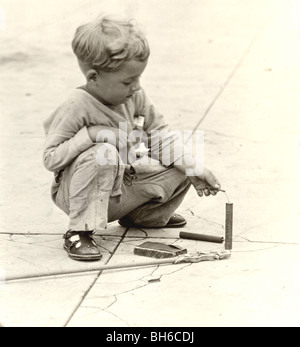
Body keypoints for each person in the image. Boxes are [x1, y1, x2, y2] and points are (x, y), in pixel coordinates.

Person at [42, 14, 221, 261]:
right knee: (101, 154)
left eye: (138, 78)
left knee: (180, 163)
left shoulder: (134, 96)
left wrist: (192, 167)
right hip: (79, 191)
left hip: (121, 182)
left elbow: (159, 134)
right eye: (128, 81)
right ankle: (78, 231)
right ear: (94, 77)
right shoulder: (77, 105)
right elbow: (51, 159)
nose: (136, 86)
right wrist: (91, 135)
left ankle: (140, 216)